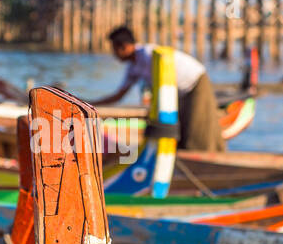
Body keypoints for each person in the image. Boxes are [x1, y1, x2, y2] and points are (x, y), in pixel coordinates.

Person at [93, 26, 225, 152]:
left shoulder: (149, 54)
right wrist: (90, 104)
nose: (114, 54)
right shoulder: (133, 68)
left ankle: (202, 160)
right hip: (176, 93)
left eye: (115, 49)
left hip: (195, 81)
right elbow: (118, 96)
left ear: (124, 47)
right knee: (183, 129)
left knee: (197, 127)